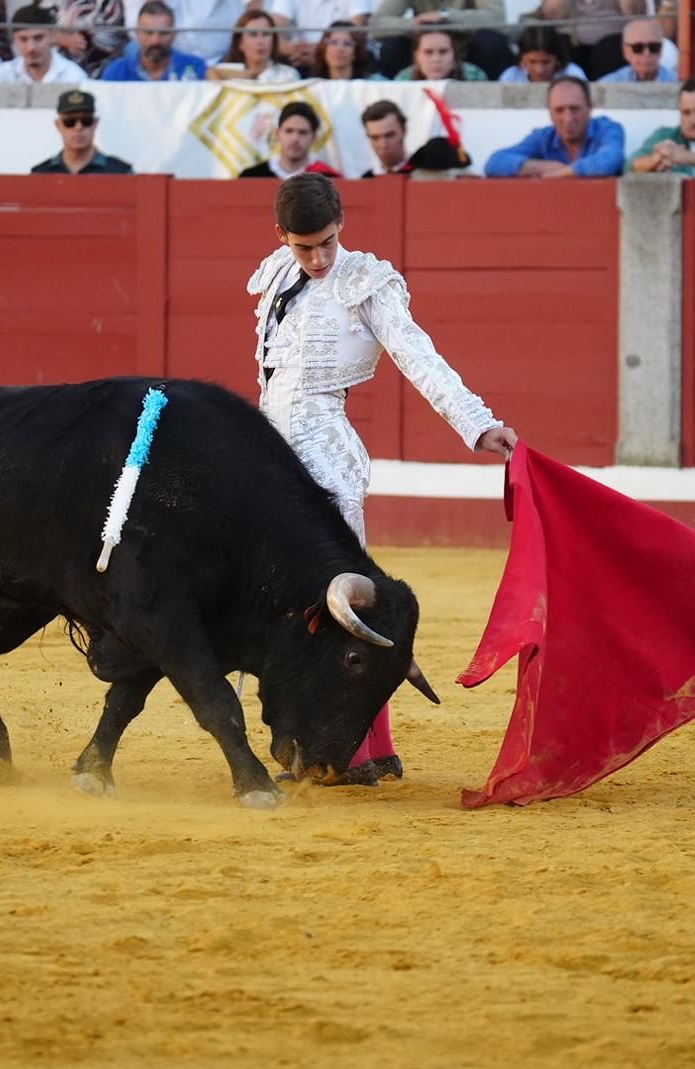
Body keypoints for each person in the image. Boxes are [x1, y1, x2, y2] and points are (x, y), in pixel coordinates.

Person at [248, 173, 516, 785]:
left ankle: (366, 751)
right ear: (282, 237)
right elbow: (272, 383)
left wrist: (478, 424)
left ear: (342, 225)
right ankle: (334, 744)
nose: (317, 259)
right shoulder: (276, 276)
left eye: (327, 243)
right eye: (303, 246)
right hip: (274, 466)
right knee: (293, 608)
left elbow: (419, 356)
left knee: (343, 608)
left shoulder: (364, 281)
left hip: (328, 460)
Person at [484, 76, 625, 178]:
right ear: (550, 113)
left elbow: (610, 160)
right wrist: (548, 167)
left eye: (575, 109)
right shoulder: (543, 137)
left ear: (590, 108)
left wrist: (564, 173)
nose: (568, 118)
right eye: (559, 110)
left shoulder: (608, 129)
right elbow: (495, 163)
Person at [371, 0, 514, 78]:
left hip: (469, 47)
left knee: (492, 43)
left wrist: (446, 16)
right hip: (425, 47)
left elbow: (497, 18)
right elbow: (376, 24)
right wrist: (414, 24)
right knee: (392, 47)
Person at [0, 4, 90, 80]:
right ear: (14, 39)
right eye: (23, 39)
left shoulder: (73, 76)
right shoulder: (4, 73)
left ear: (52, 36)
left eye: (38, 38)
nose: (31, 47)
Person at [99, 0, 208, 79]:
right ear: (137, 34)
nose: (156, 41)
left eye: (164, 33)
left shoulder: (195, 68)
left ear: (174, 34)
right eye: (148, 33)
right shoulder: (117, 72)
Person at [31, 89, 134, 173]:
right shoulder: (41, 174)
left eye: (86, 121)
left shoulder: (120, 173)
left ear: (95, 123)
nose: (78, 127)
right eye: (69, 122)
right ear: (58, 125)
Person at [361, 99, 470, 176]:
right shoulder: (365, 179)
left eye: (389, 135)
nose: (383, 144)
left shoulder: (430, 167)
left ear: (404, 130)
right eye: (375, 138)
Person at [239, 101, 342, 178]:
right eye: (289, 131)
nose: (295, 139)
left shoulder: (328, 179)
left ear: (314, 138)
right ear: (278, 134)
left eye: (303, 132)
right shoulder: (251, 177)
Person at [122, 0, 249, 63]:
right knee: (134, 50)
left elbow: (252, 10)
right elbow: (136, 30)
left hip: (225, 56)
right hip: (166, 59)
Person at [268, 0, 371, 68]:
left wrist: (320, 53)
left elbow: (356, 31)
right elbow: (275, 31)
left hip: (338, 57)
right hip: (297, 58)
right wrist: (293, 50)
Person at [208, 9, 303, 80]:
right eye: (253, 34)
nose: (260, 41)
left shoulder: (288, 75)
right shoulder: (222, 72)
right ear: (240, 43)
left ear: (273, 40)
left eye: (266, 34)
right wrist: (247, 74)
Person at [499, 24, 590, 83]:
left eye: (546, 62)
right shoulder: (510, 77)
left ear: (557, 58)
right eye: (532, 61)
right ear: (521, 58)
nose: (539, 70)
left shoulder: (572, 74)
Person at [598, 17, 679, 82]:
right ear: (626, 51)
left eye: (653, 47)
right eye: (638, 48)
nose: (646, 53)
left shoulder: (678, 83)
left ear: (661, 50)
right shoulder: (609, 85)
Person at [391, 27, 490, 78]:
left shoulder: (475, 77)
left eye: (443, 52)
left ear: (454, 55)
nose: (436, 59)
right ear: (417, 56)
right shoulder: (403, 80)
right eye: (428, 52)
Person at [309, 19, 377, 76]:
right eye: (333, 42)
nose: (340, 49)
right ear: (324, 49)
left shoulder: (375, 85)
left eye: (347, 44)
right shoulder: (311, 86)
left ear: (356, 52)